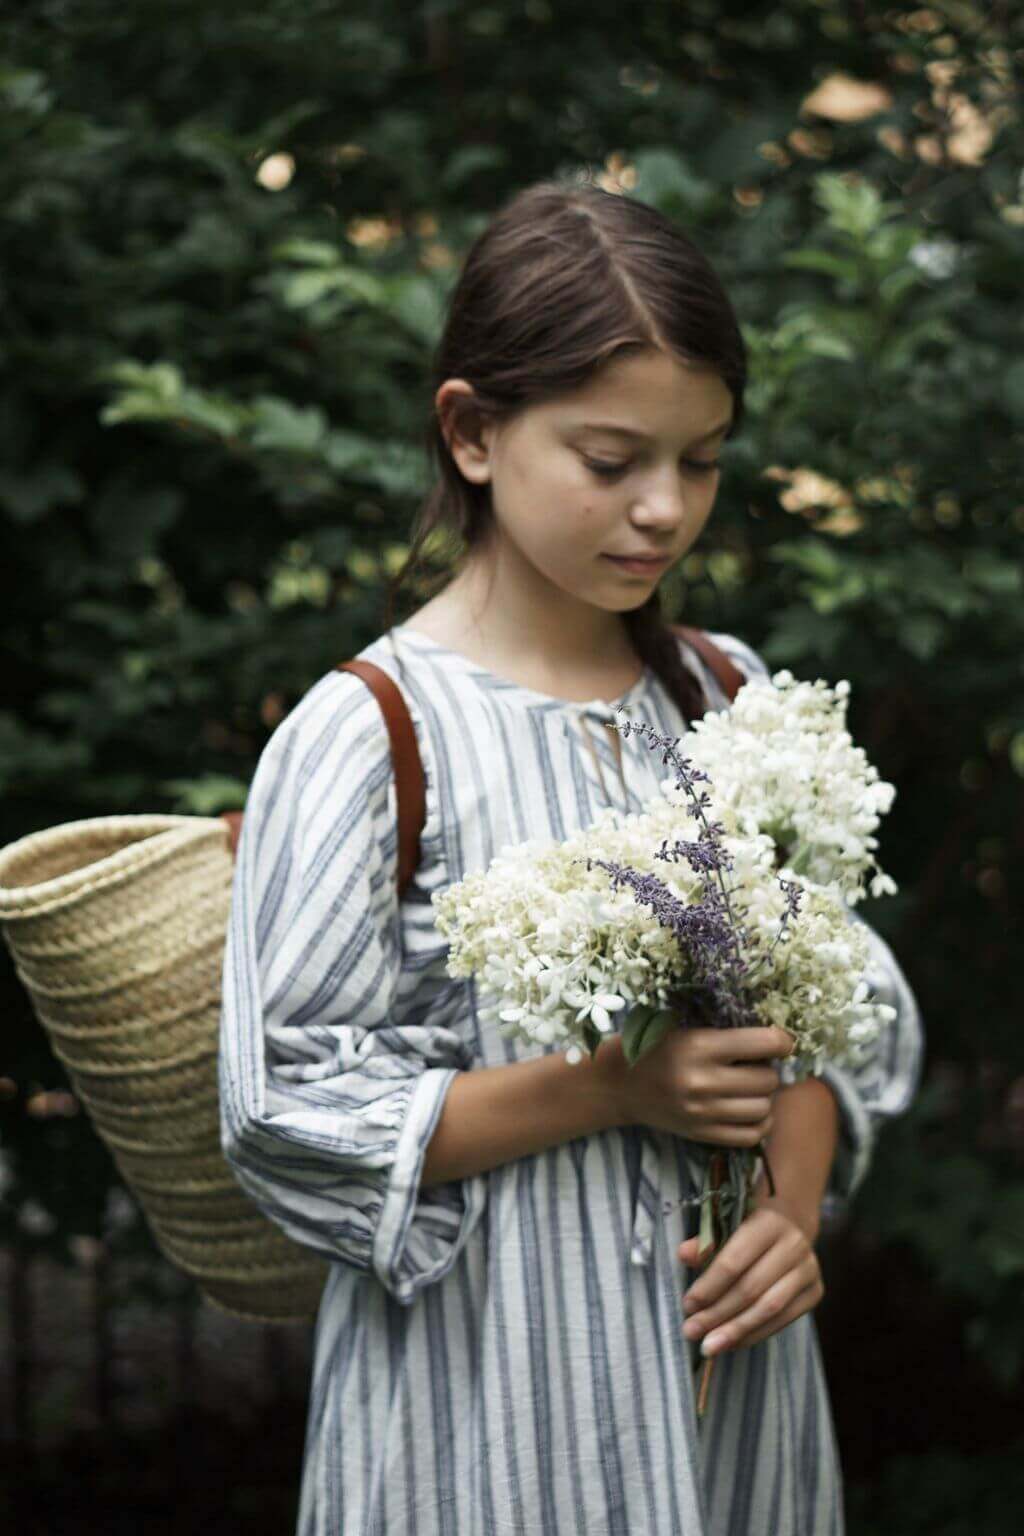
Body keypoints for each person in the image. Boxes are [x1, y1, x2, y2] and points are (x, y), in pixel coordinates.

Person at [218, 177, 923, 1536]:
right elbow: (282, 1105)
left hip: (735, 1397)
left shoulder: (725, 698)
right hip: (488, 1409)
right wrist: (612, 1088)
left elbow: (841, 1003)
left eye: (702, 460)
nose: (664, 508)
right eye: (612, 462)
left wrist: (794, 1198)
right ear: (473, 432)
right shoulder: (369, 736)